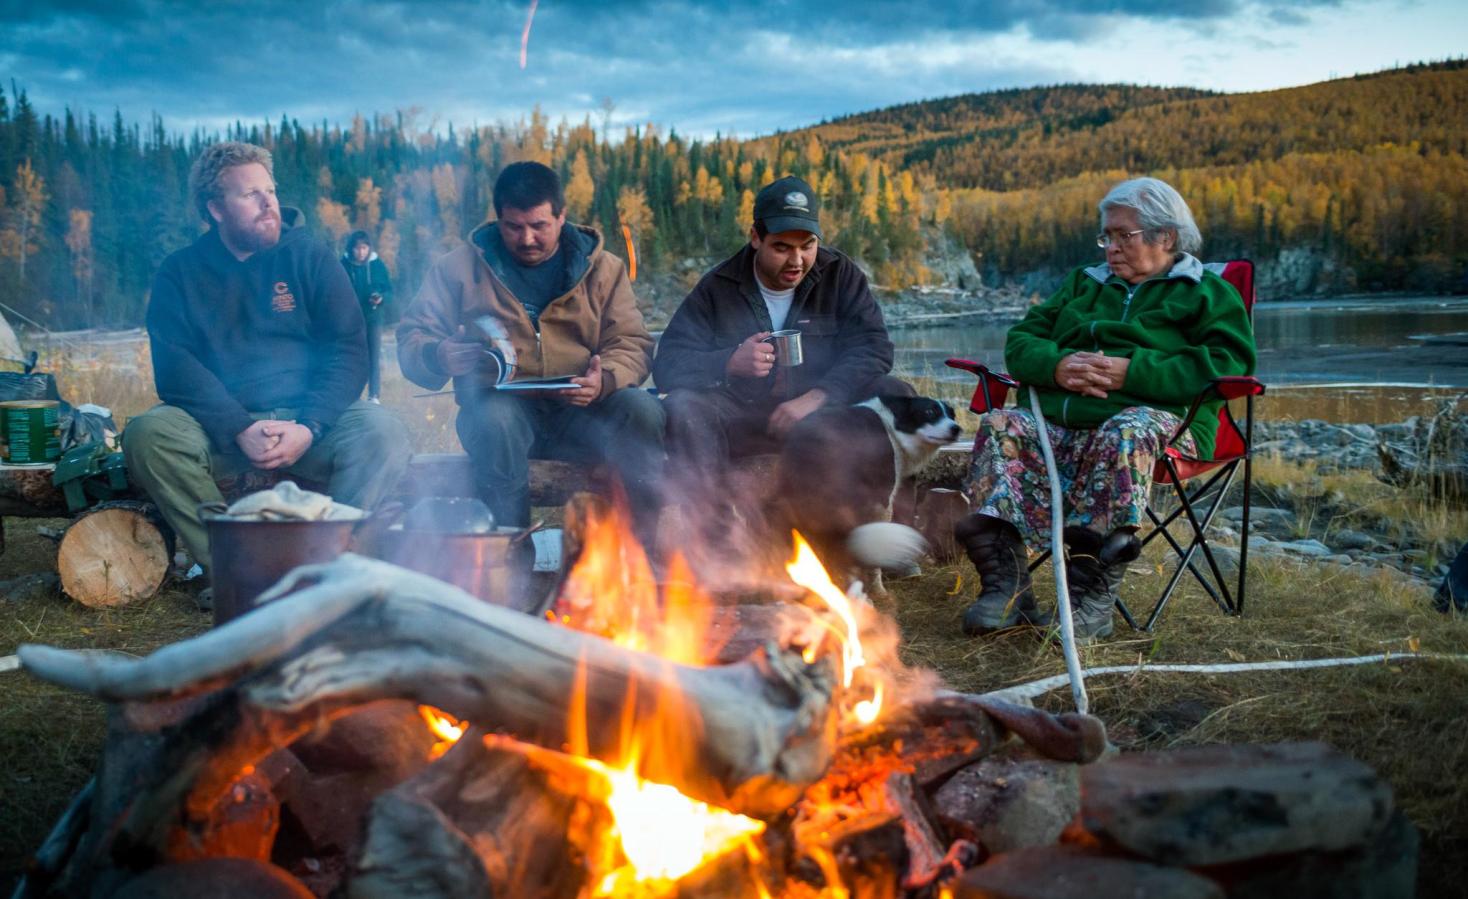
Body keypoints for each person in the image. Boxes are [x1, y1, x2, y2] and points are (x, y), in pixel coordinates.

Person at [957, 177, 1256, 641]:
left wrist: (1132, 372)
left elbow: (1231, 365)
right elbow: (1021, 342)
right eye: (1107, 236)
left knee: (1126, 429)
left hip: (1162, 427)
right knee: (1001, 423)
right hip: (1063, 423)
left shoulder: (1206, 293)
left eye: (1123, 236)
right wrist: (1056, 367)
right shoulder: (1084, 284)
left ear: (1166, 237)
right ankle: (1008, 588)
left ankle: (1090, 599)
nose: (1111, 248)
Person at [124, 141, 412, 592]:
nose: (268, 203)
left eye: (271, 191)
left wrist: (311, 424)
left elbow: (348, 347)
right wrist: (237, 425)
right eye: (250, 194)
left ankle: (335, 573)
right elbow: (175, 365)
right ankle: (237, 572)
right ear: (216, 209)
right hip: (222, 430)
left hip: (308, 422)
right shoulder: (180, 273)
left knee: (384, 431)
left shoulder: (310, 257)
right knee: (148, 435)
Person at [396, 161, 664, 545]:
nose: (526, 239)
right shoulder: (457, 269)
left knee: (643, 409)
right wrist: (439, 355)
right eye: (514, 227)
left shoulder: (603, 268)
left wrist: (603, 381)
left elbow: (632, 342)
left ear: (561, 216)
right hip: (499, 416)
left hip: (583, 413)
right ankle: (508, 561)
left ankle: (640, 553)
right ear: (498, 219)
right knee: (495, 422)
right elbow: (412, 337)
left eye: (539, 226)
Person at [654, 175, 910, 506]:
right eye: (782, 247)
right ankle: (712, 538)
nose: (797, 261)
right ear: (756, 238)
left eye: (807, 246)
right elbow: (668, 364)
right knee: (683, 407)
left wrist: (819, 396)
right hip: (747, 419)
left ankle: (886, 528)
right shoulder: (719, 286)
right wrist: (729, 362)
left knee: (895, 393)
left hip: (827, 415)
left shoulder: (840, 275)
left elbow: (874, 348)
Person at [341, 230, 393, 403]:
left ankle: (374, 395)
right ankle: (351, 395)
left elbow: (389, 290)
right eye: (357, 248)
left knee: (373, 356)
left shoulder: (377, 264)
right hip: (350, 319)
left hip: (373, 317)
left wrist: (381, 297)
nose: (361, 252)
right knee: (352, 357)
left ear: (369, 248)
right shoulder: (343, 265)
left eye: (364, 248)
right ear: (351, 249)